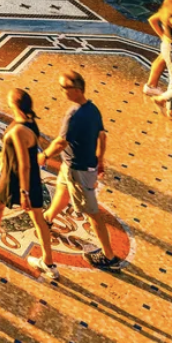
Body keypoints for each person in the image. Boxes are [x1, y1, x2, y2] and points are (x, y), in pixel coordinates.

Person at [0, 88, 59, 281]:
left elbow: (23, 163)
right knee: (33, 219)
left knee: (0, 206)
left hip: (17, 178)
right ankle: (49, 264)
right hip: (30, 177)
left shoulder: (18, 130)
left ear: (14, 104)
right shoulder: (30, 122)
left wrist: (24, 192)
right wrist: (4, 155)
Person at [42, 70, 122, 269]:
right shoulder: (93, 109)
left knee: (93, 213)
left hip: (79, 171)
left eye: (65, 87)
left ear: (77, 90)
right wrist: (100, 160)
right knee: (62, 191)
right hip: (72, 166)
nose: (62, 91)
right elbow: (102, 137)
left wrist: (43, 156)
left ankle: (109, 257)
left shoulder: (74, 114)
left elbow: (61, 142)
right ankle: (48, 219)